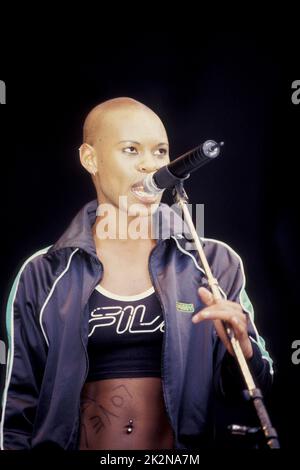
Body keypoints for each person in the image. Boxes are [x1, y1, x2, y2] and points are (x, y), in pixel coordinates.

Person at [0, 97, 273, 450]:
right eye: (131, 150)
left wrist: (243, 350)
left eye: (160, 152)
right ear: (90, 158)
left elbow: (256, 392)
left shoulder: (213, 263)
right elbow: (18, 404)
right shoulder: (44, 271)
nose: (150, 165)